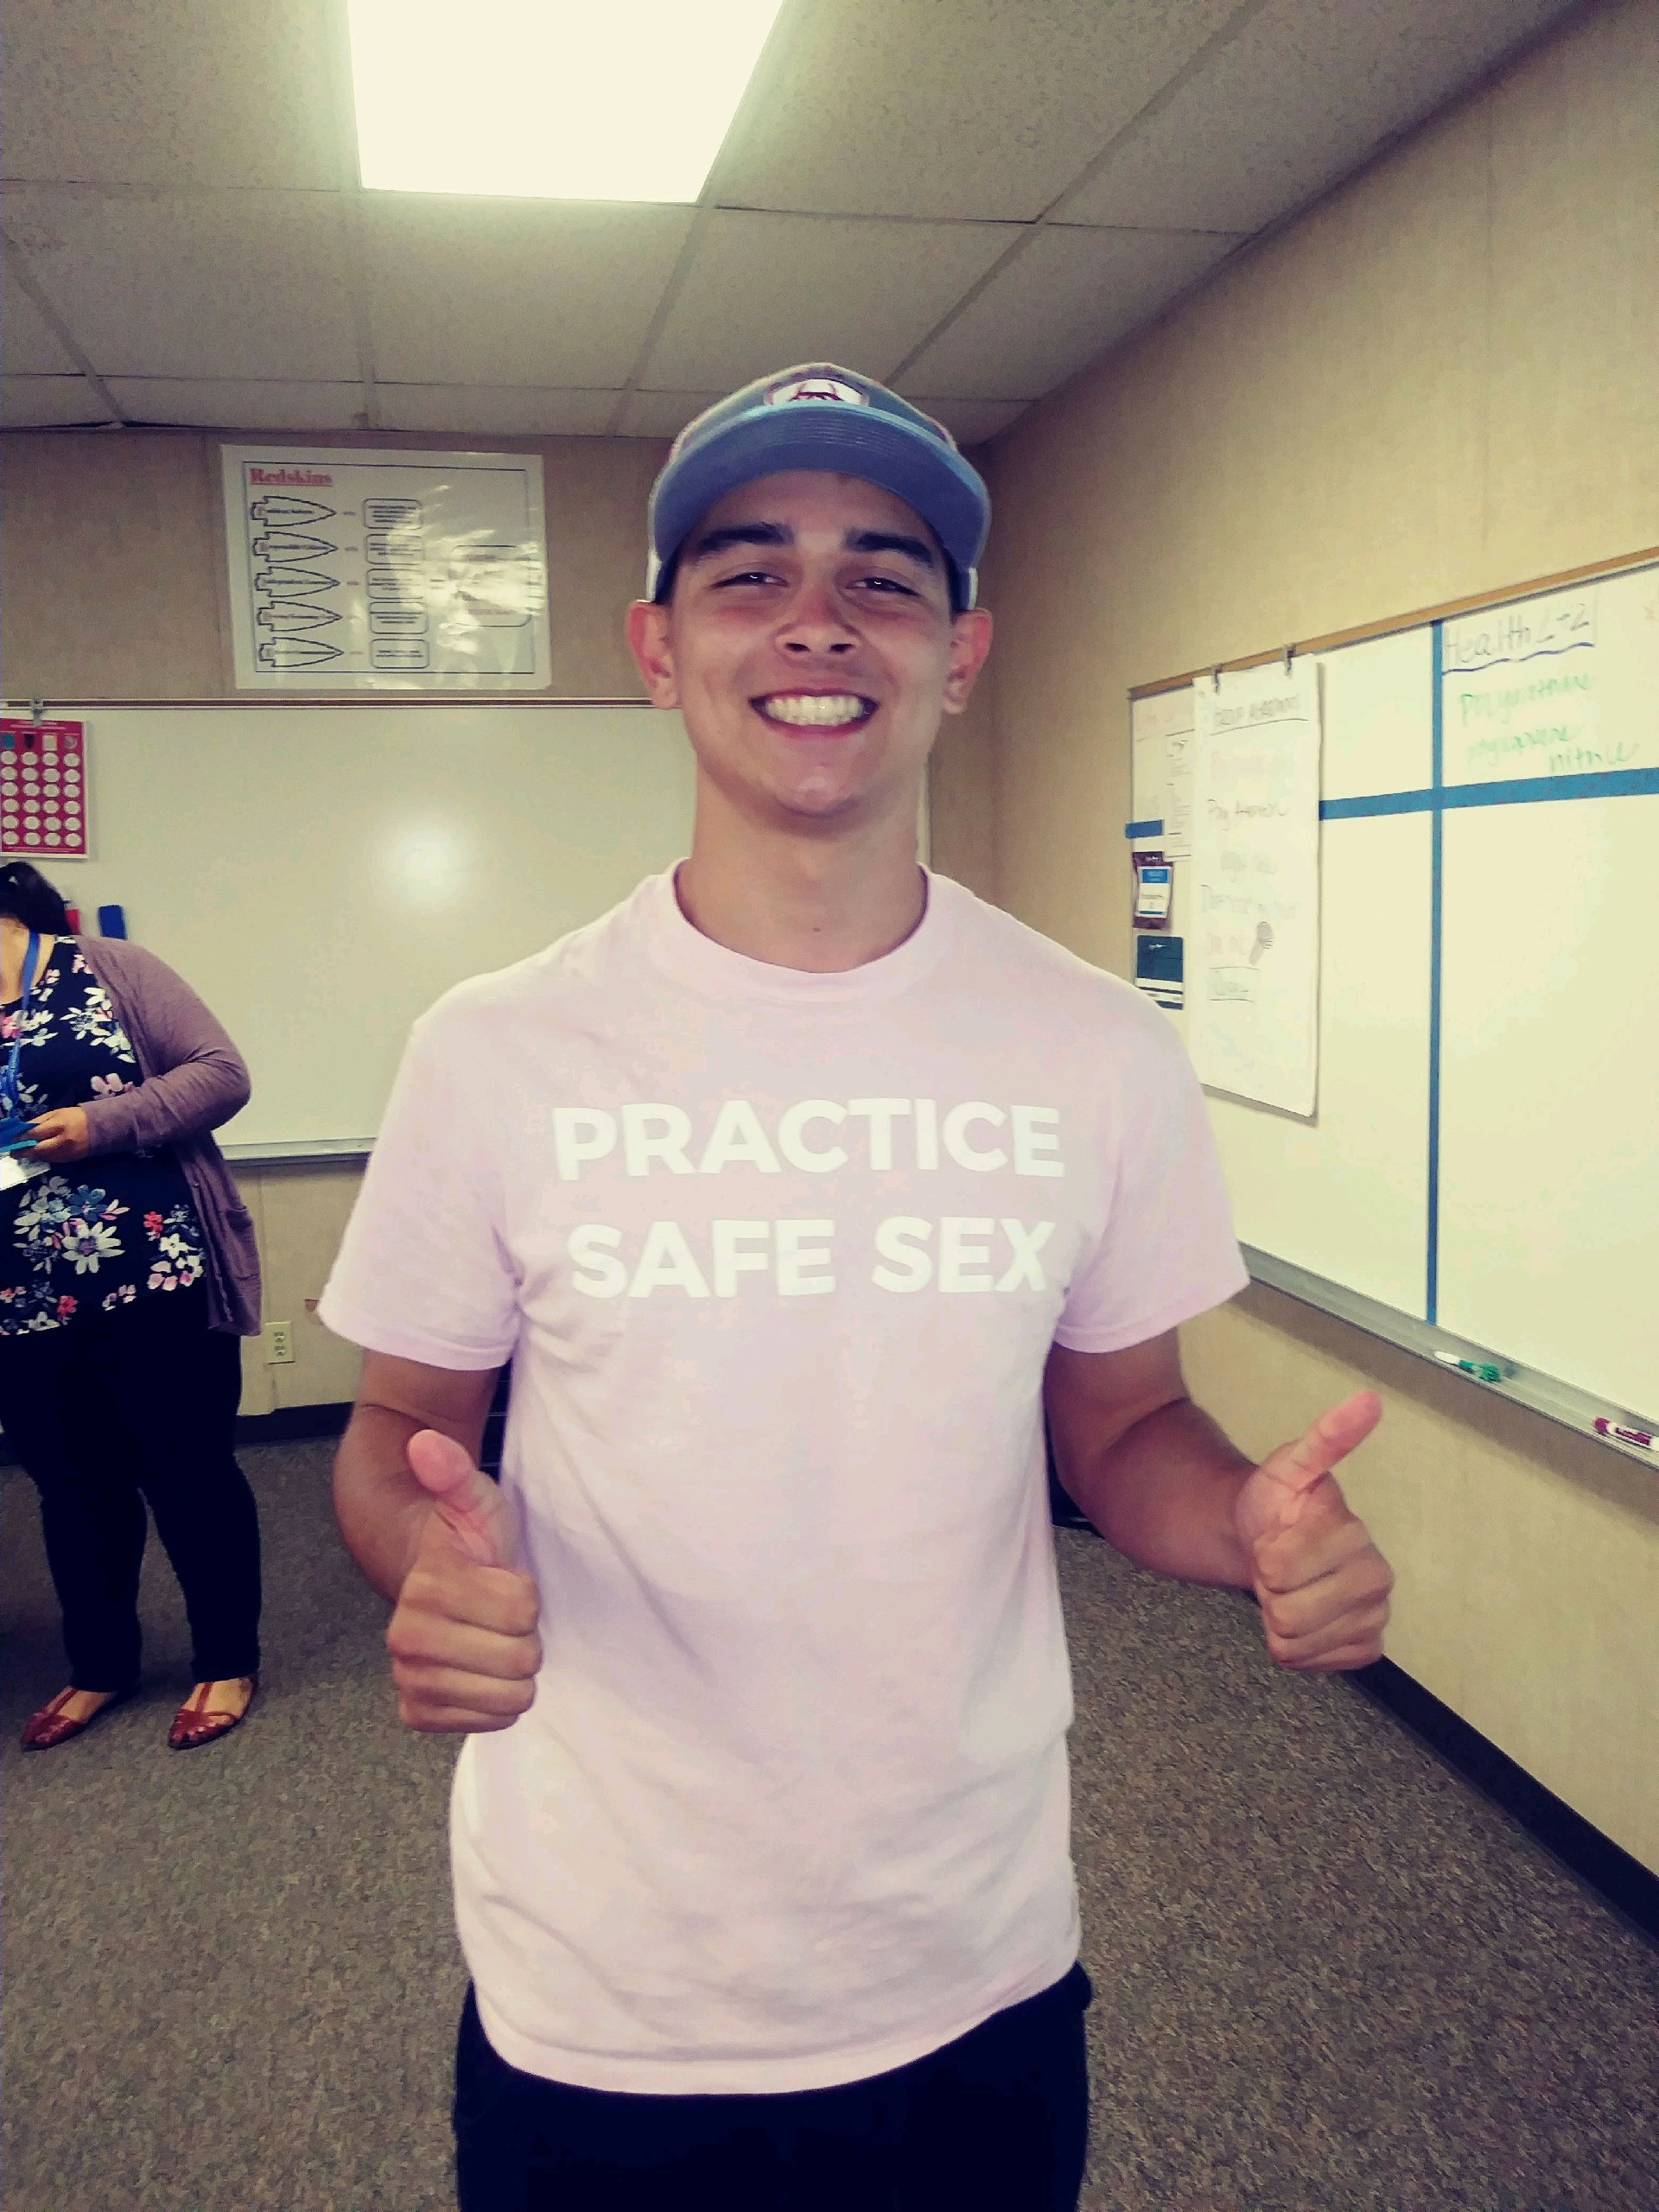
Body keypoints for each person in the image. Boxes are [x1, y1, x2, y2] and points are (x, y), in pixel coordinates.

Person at [321, 365, 1395, 2211]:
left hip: (967, 1957)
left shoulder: (1091, 1047)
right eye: (752, 573)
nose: (820, 617)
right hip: (605, 1980)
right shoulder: (498, 1049)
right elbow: (395, 1435)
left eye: (885, 577)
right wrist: (431, 1573)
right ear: (658, 646)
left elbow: (1127, 1421)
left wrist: (1246, 1524)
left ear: (962, 650)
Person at [0, 861, 264, 1753]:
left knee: (187, 1472)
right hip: (18, 1300)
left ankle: (226, 1659)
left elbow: (222, 1074)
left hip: (152, 1274)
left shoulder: (106, 967)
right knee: (71, 1491)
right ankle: (101, 1665)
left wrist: (98, 1124)